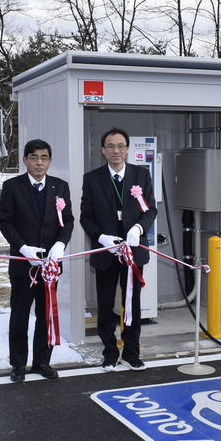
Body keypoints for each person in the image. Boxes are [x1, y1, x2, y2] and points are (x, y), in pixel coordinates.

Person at [80, 127, 157, 372]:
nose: (116, 150)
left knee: (132, 302)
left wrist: (138, 229)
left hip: (134, 250)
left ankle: (131, 353)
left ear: (127, 148)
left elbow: (151, 209)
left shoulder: (141, 175)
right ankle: (110, 353)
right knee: (105, 303)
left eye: (121, 145)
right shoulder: (92, 178)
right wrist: (100, 237)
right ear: (103, 150)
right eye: (111, 146)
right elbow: (86, 216)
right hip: (106, 252)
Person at [0, 140, 75, 382]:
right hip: (23, 265)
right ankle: (18, 364)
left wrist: (61, 244)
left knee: (47, 314)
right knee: (20, 315)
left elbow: (68, 221)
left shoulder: (60, 187)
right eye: (33, 157)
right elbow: (5, 222)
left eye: (44, 157)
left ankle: (42, 361)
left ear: (50, 161)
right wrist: (22, 248)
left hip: (50, 266)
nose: (39, 162)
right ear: (25, 160)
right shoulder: (12, 186)